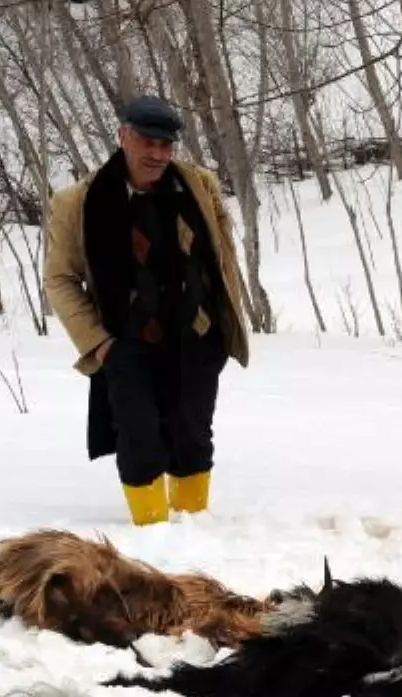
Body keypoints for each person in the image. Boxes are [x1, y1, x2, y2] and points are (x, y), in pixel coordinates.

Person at [43, 94, 251, 526]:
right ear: (123, 137)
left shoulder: (197, 185)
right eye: (147, 141)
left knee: (193, 435)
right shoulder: (78, 202)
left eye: (166, 144)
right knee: (139, 439)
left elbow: (222, 255)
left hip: (197, 334)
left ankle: (195, 525)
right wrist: (99, 343)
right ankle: (152, 531)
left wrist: (225, 323)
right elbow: (60, 279)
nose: (157, 154)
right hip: (127, 342)